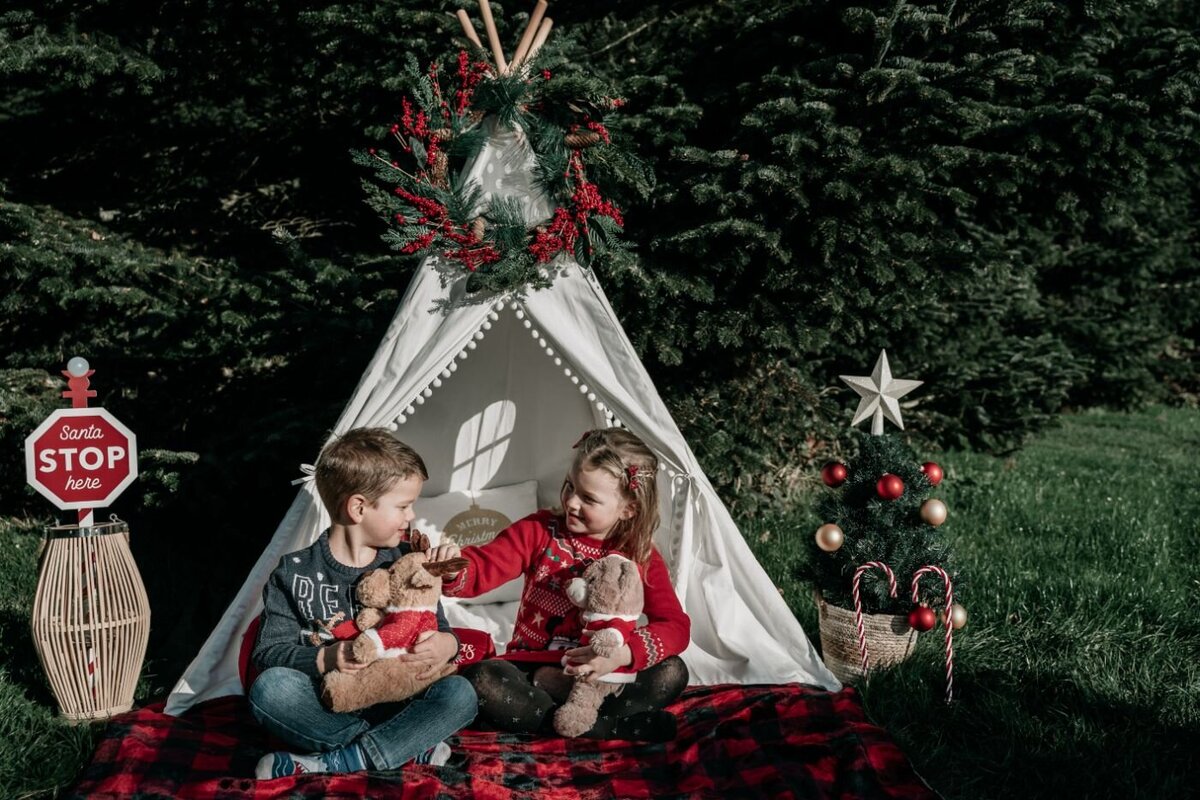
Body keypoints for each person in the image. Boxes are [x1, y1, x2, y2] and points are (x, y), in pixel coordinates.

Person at [429, 428, 691, 741]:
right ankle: (609, 728)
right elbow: (486, 566)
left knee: (673, 671)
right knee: (481, 679)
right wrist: (453, 568)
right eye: (569, 486)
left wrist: (622, 655)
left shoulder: (640, 554)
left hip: (605, 672)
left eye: (588, 499)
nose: (572, 502)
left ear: (628, 509)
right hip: (532, 671)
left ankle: (564, 718)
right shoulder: (539, 530)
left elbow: (675, 625)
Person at [249, 428, 477, 779]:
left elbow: (439, 627)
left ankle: (336, 762)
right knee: (269, 690)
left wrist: (447, 645)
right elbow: (268, 654)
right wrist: (327, 658)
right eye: (403, 506)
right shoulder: (294, 572)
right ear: (358, 507)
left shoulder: (407, 560)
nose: (411, 516)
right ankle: (402, 746)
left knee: (460, 693)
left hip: (400, 700)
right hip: (328, 706)